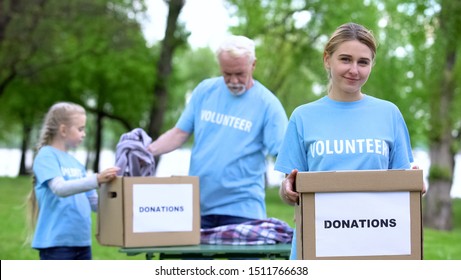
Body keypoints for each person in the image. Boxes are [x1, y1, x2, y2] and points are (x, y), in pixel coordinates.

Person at [274, 22, 422, 259]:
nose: (354, 69)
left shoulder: (389, 113)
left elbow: (401, 187)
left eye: (363, 62)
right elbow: (288, 190)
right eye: (345, 59)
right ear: (327, 60)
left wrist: (415, 186)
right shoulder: (303, 116)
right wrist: (287, 189)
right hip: (316, 245)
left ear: (371, 65)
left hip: (376, 244)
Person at [148, 35, 288, 229]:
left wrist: (299, 185)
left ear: (253, 65)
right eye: (226, 74)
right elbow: (179, 133)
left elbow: (284, 153)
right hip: (198, 205)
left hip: (244, 209)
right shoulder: (205, 91)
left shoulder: (268, 104)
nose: (233, 80)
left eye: (239, 73)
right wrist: (146, 151)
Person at [27, 102, 119, 260]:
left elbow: (95, 204)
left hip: (82, 243)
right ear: (63, 130)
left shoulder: (77, 164)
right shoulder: (46, 156)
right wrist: (96, 179)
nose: (84, 134)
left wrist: (120, 197)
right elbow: (59, 188)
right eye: (80, 129)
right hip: (57, 245)